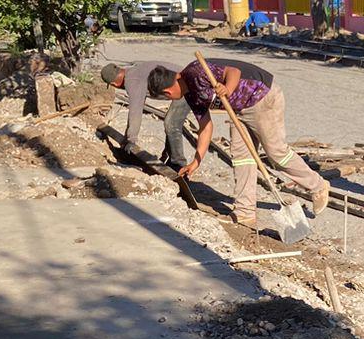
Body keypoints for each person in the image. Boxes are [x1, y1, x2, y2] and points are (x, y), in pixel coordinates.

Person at [101, 57, 329, 229]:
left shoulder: (195, 71)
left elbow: (233, 71)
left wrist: (227, 88)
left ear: (168, 91)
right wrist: (196, 161)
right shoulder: (190, 95)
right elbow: (206, 127)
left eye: (166, 98)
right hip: (239, 109)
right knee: (241, 157)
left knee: (276, 153)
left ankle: (318, 186)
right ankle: (245, 212)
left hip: (262, 97)